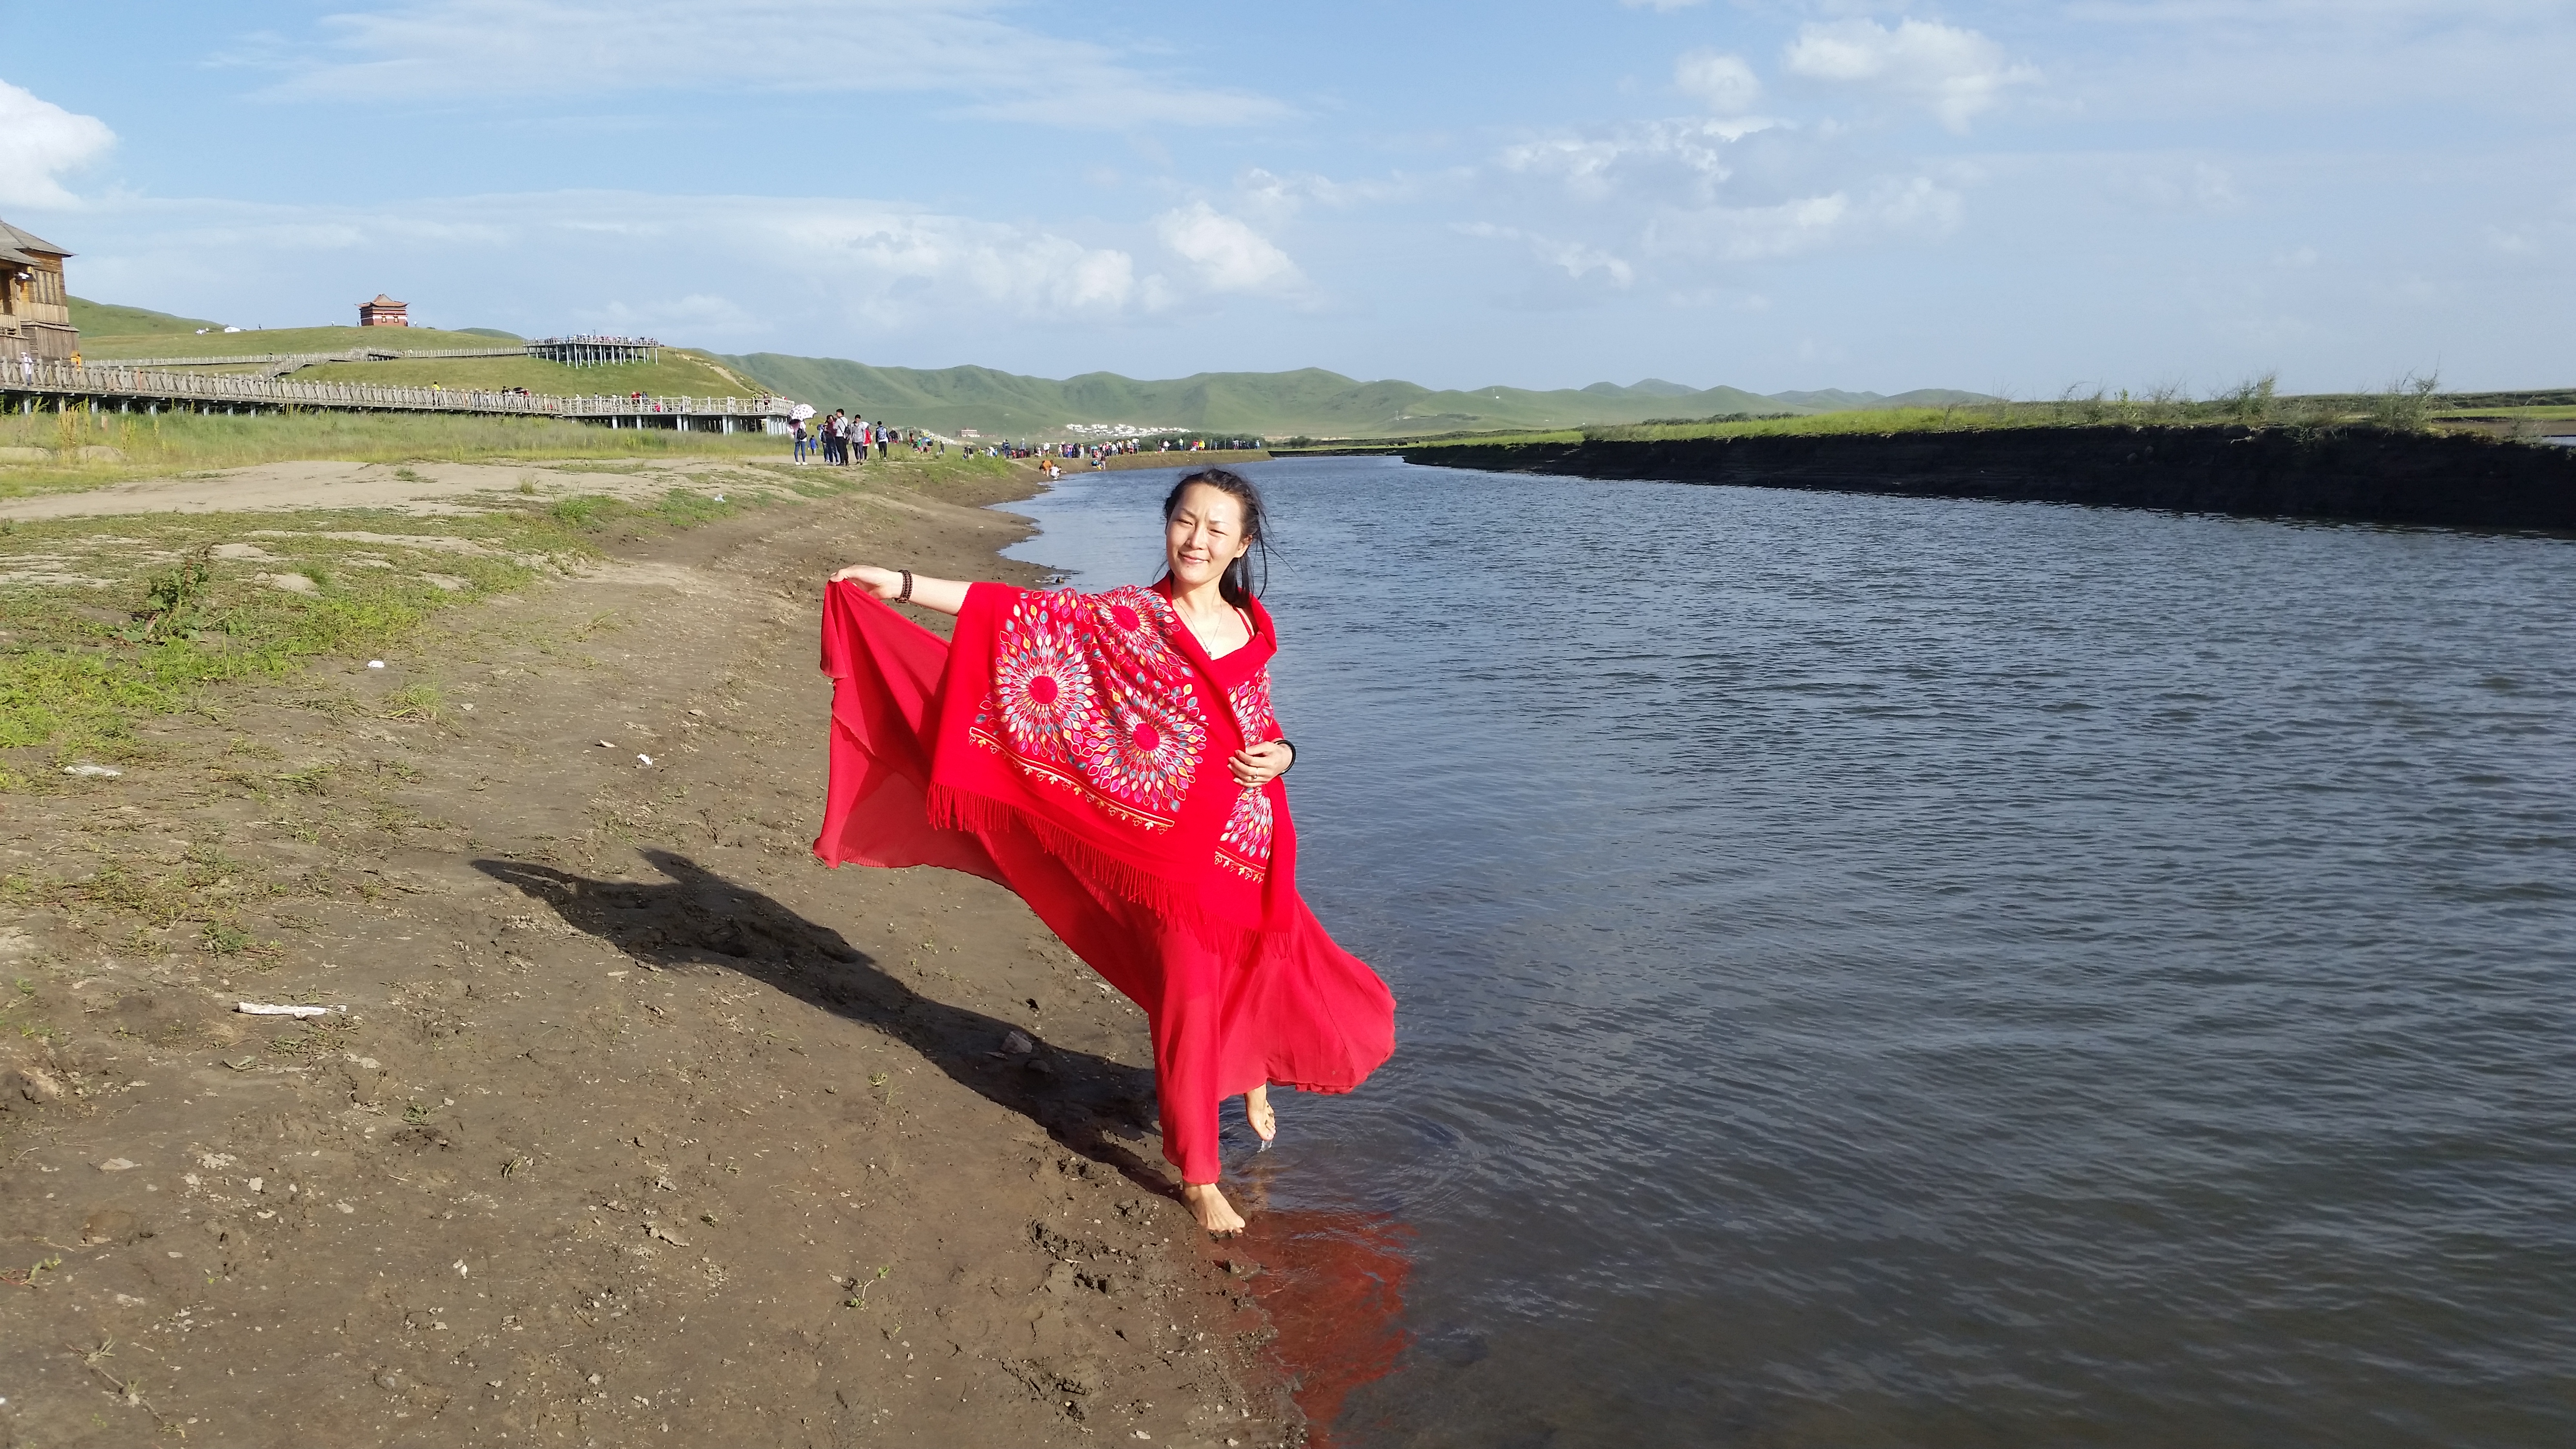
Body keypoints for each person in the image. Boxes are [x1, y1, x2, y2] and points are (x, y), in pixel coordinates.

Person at [819, 469, 1395, 1235]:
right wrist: (899, 581)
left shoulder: (1255, 627)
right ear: (1167, 526)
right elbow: (1009, 610)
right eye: (1185, 521)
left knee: (1269, 965)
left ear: (1242, 545)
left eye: (1216, 529)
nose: (1197, 539)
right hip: (1169, 851)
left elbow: (1259, 720)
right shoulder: (1126, 617)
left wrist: (1287, 754)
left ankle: (1248, 1072)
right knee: (1189, 992)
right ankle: (1197, 1174)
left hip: (1252, 842)